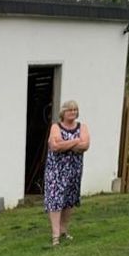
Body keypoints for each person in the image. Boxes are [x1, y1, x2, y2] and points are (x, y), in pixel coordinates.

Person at [43, 100, 90, 247]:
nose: (73, 112)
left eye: (75, 110)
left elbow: (85, 145)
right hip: (55, 171)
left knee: (69, 200)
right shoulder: (55, 127)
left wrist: (65, 144)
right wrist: (76, 141)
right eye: (70, 110)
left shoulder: (82, 127)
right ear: (63, 112)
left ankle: (64, 230)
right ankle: (55, 235)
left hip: (74, 170)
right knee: (55, 199)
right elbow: (55, 146)